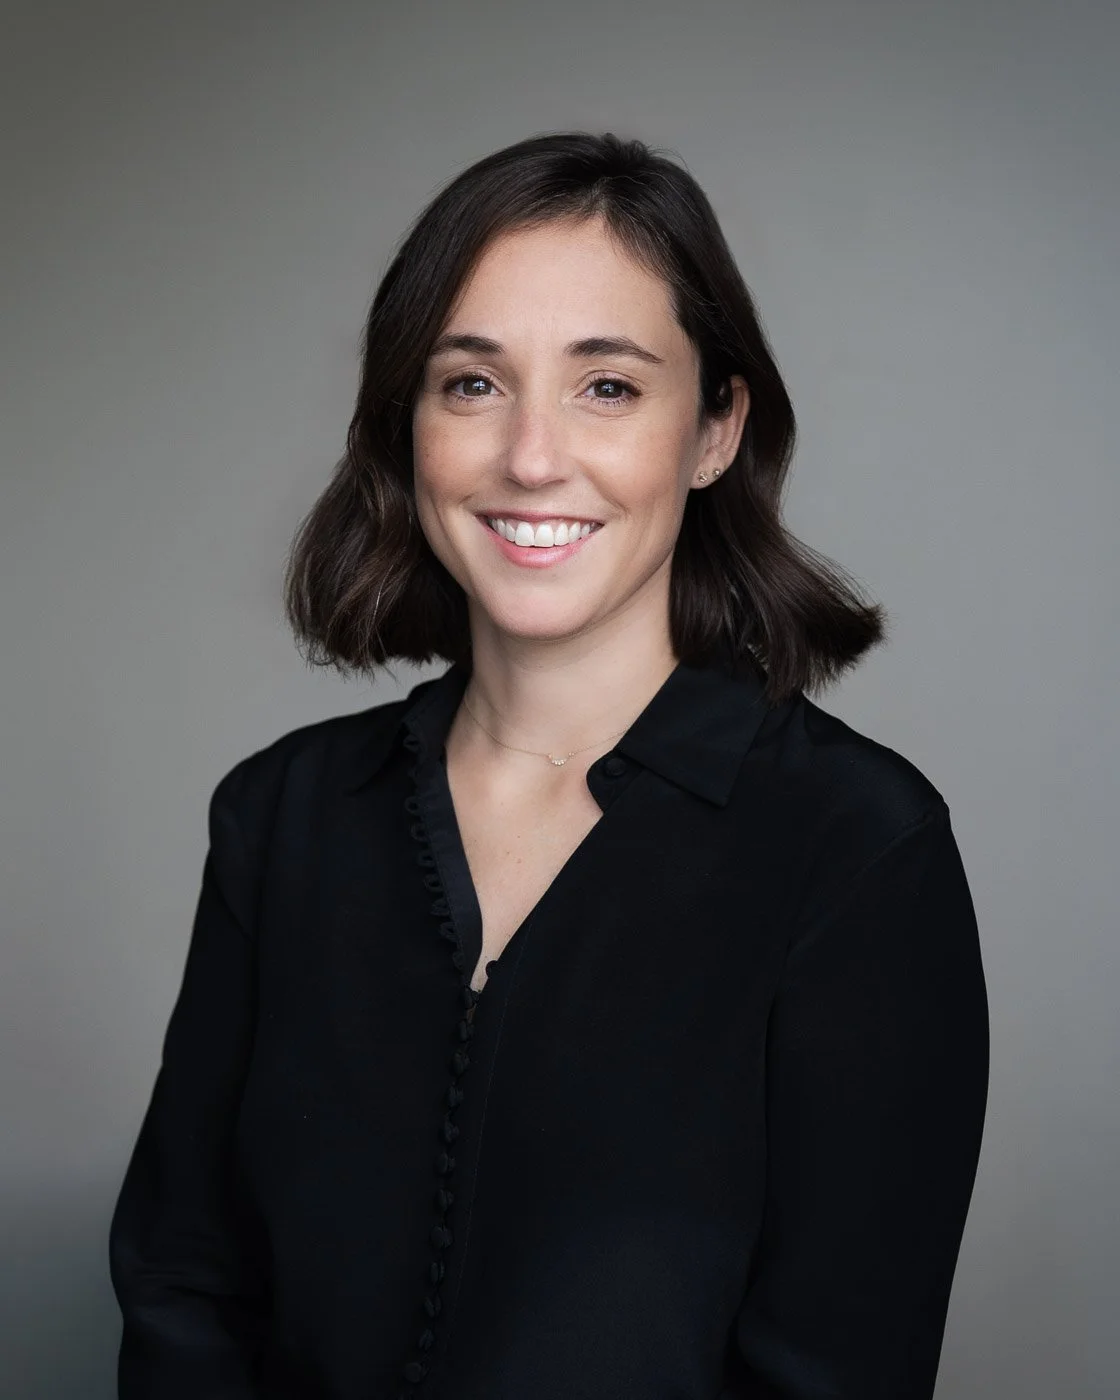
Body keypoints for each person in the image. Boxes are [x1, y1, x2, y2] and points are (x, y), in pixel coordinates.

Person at [108, 131, 990, 1400]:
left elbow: (838, 1367)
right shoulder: (282, 814)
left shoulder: (853, 842)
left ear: (714, 428)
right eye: (470, 383)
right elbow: (186, 1287)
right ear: (405, 425)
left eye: (608, 387)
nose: (530, 456)